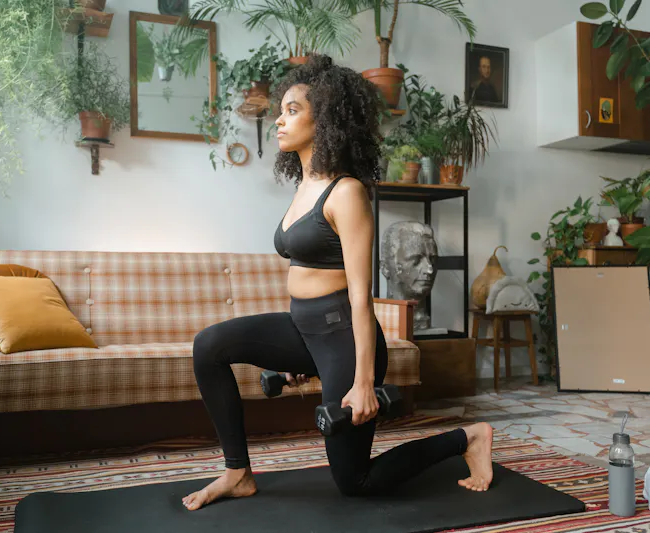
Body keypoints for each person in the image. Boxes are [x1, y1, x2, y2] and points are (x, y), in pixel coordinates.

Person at [181, 54, 493, 512]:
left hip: (343, 337)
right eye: (281, 111)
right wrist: (294, 354)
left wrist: (364, 382)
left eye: (292, 111)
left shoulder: (346, 193)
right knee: (209, 346)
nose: (280, 122)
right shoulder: (303, 187)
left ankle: (468, 438)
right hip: (304, 331)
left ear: (323, 118)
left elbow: (360, 299)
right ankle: (237, 473)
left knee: (356, 483)